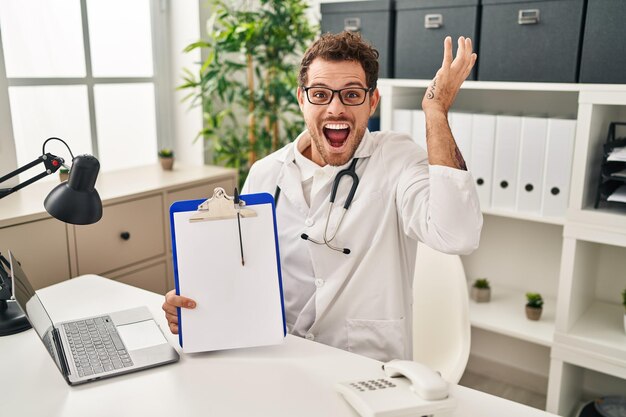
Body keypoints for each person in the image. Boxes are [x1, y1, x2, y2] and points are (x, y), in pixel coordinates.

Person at [162, 31, 482, 362]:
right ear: (302, 99)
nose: (335, 108)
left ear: (372, 101)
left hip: (368, 371)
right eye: (320, 94)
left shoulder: (398, 159)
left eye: (352, 94)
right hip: (279, 359)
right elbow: (235, 277)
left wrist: (435, 110)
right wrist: (195, 307)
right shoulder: (265, 174)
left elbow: (457, 234)